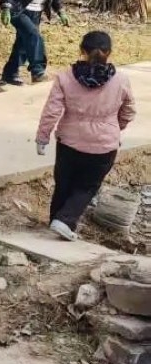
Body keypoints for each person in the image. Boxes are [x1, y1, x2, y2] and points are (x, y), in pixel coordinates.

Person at [36, 31, 136, 241]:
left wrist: (42, 137)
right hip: (104, 146)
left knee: (64, 183)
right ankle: (64, 221)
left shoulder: (65, 77)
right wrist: (115, 127)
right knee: (87, 186)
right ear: (109, 52)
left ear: (81, 50)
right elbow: (128, 111)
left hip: (69, 142)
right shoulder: (121, 80)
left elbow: (52, 110)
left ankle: (56, 220)